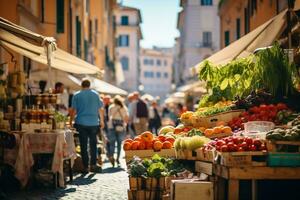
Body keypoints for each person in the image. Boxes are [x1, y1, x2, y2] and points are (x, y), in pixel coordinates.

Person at [70, 80, 104, 173]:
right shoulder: (96, 94)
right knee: (93, 144)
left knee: (83, 145)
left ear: (81, 85)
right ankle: (93, 165)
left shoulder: (77, 95)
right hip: (93, 123)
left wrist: (70, 121)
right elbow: (100, 109)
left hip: (81, 122)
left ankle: (85, 167)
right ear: (89, 85)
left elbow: (73, 110)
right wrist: (102, 121)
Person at [107, 96, 129, 167]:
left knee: (112, 143)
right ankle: (118, 159)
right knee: (119, 143)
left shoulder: (111, 107)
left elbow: (109, 116)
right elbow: (126, 118)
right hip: (121, 126)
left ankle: (111, 156)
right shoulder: (123, 107)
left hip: (111, 126)